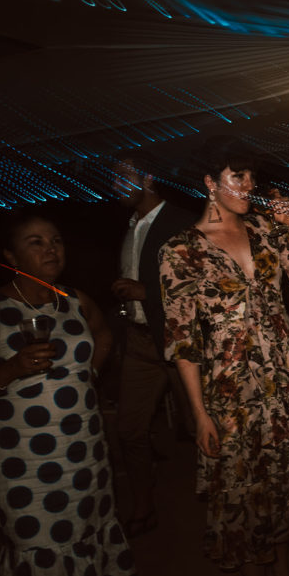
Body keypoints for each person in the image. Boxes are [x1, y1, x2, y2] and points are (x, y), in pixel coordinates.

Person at [159, 137, 289, 576]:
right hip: (231, 390)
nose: (249, 187)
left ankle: (279, 566)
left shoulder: (264, 229)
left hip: (285, 381)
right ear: (210, 184)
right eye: (238, 177)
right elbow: (182, 341)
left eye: (252, 178)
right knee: (242, 494)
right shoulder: (181, 250)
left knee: (286, 479)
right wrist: (199, 413)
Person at [0, 211, 137, 576]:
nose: (51, 248)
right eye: (36, 242)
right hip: (26, 464)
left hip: (85, 451)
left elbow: (103, 335)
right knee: (41, 545)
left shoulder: (76, 300)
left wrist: (90, 375)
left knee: (86, 532)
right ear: (11, 256)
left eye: (56, 240)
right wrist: (9, 372)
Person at [108, 149, 196, 537]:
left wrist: (147, 293)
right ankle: (143, 502)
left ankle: (221, 502)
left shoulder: (181, 222)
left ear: (145, 178)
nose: (114, 186)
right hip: (140, 344)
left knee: (199, 426)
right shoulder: (130, 224)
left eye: (121, 177)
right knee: (129, 429)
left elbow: (200, 286)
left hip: (177, 343)